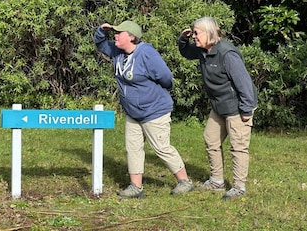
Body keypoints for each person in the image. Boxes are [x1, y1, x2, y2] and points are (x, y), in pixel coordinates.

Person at [94, 20, 194, 198]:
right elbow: (101, 44)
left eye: (119, 33)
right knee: (132, 148)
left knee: (161, 148)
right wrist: (102, 30)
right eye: (114, 33)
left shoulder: (146, 52)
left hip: (154, 110)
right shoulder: (118, 51)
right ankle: (135, 187)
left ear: (131, 37)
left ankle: (185, 181)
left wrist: (151, 94)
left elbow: (165, 77)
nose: (115, 35)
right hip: (132, 112)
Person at [177, 16, 258, 200]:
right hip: (219, 106)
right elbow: (186, 52)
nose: (194, 36)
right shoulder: (202, 50)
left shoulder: (227, 54)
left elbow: (244, 84)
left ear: (209, 33)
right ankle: (217, 181)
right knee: (210, 138)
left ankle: (238, 187)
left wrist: (246, 110)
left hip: (237, 107)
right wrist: (183, 39)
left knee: (238, 147)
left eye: (197, 33)